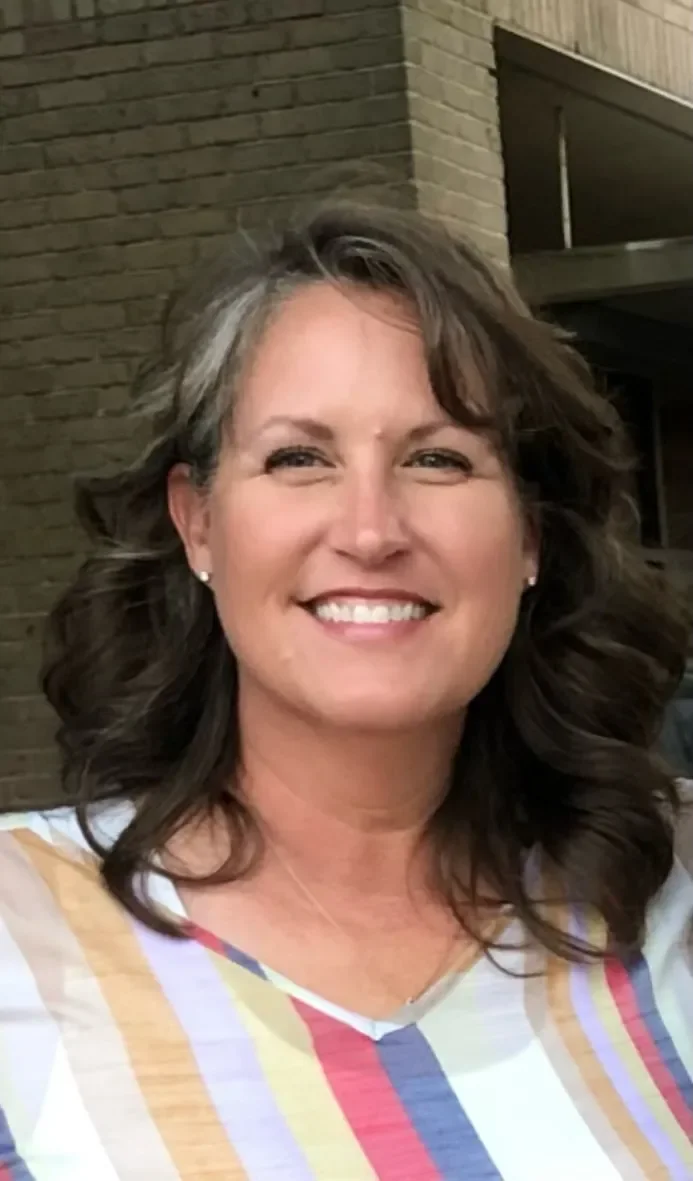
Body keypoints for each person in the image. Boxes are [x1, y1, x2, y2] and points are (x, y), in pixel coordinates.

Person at [1, 199, 691, 1181]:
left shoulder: (669, 886)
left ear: (530, 535)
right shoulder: (18, 928)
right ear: (198, 524)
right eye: (299, 458)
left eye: (438, 457)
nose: (370, 530)